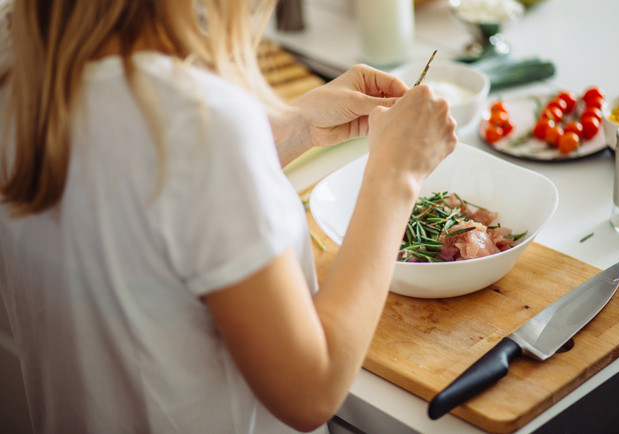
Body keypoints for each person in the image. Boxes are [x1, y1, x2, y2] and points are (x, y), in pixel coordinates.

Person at [0, 1, 457, 433]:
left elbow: (152, 208)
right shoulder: (200, 125)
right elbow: (311, 390)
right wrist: (397, 174)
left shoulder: (19, 75)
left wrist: (296, 126)